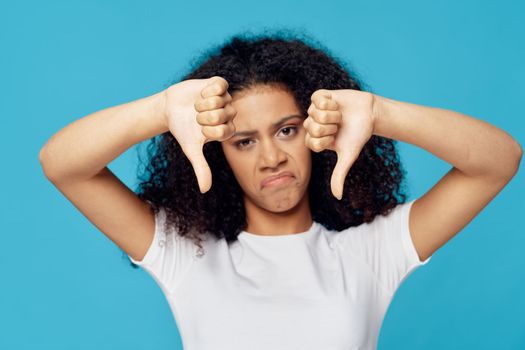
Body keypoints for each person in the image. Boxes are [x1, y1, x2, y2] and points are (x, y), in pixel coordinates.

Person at [39, 31, 522, 350]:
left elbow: (498, 161)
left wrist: (379, 115)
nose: (271, 157)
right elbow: (62, 165)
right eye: (244, 141)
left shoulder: (369, 253)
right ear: (219, 154)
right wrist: (161, 111)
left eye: (287, 130)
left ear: (316, 135)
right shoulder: (184, 256)